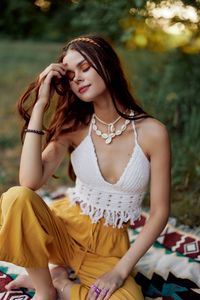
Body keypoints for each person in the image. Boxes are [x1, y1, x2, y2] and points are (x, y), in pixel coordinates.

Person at [0, 35, 171, 300]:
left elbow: (160, 212)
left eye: (85, 67)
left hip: (108, 247)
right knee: (17, 197)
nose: (77, 77)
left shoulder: (153, 133)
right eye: (69, 74)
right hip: (63, 231)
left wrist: (120, 270)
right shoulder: (74, 127)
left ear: (107, 64)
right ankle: (45, 290)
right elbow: (29, 182)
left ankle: (59, 282)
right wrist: (40, 105)